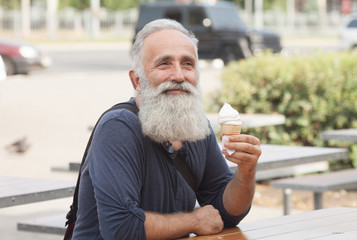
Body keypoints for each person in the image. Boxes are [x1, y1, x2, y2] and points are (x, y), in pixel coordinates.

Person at [72, 19, 261, 239]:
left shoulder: (196, 126)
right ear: (137, 80)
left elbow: (225, 214)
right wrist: (194, 220)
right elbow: (120, 228)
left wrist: (247, 172)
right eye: (164, 64)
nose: (179, 75)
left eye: (188, 64)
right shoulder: (119, 127)